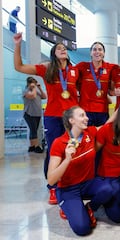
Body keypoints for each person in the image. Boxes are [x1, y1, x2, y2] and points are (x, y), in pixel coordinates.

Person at [13, 33, 80, 205]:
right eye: (58, 48)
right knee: (53, 151)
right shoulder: (47, 69)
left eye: (64, 48)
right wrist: (18, 45)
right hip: (53, 117)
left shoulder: (75, 70)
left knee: (73, 149)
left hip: (72, 118)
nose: (62, 49)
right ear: (53, 53)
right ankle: (53, 186)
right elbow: (19, 67)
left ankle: (71, 182)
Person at [47, 106, 114, 236]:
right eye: (82, 116)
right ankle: (67, 206)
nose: (87, 118)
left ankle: (90, 207)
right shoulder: (59, 143)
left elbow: (107, 125)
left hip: (88, 183)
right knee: (82, 229)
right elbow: (51, 179)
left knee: (108, 189)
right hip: (68, 189)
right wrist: (66, 160)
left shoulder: (90, 132)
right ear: (71, 120)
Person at [77, 41, 116, 126]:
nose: (97, 52)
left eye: (100, 49)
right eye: (94, 50)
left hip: (103, 111)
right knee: (87, 138)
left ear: (104, 53)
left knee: (102, 138)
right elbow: (68, 69)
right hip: (85, 110)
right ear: (91, 53)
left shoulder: (110, 67)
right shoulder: (82, 66)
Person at [23, 76, 47, 153]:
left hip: (37, 113)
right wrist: (33, 88)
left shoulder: (36, 91)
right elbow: (32, 96)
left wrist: (39, 88)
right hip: (29, 113)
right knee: (33, 130)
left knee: (34, 130)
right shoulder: (26, 91)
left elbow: (44, 96)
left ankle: (32, 146)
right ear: (28, 84)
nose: (34, 85)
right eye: (32, 84)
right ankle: (37, 146)